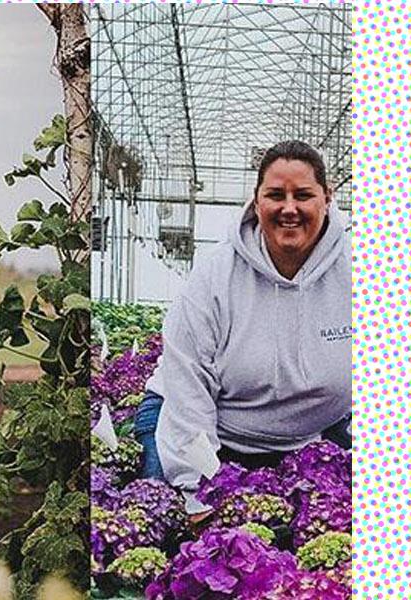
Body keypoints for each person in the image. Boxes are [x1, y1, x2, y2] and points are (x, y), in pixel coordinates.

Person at [131, 140, 354, 520]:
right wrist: (194, 490)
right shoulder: (215, 275)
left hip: (308, 439)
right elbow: (188, 389)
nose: (289, 208)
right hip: (199, 430)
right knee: (174, 535)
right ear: (256, 201)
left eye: (303, 195)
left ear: (327, 198)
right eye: (275, 195)